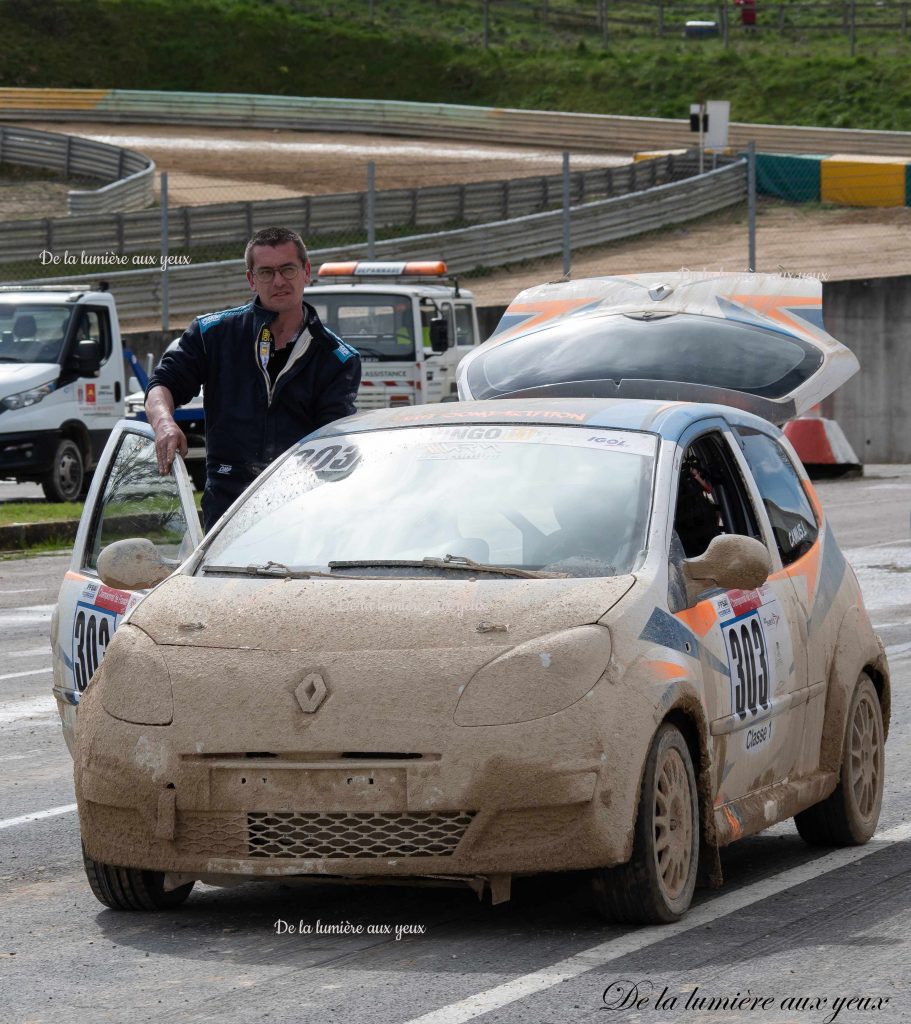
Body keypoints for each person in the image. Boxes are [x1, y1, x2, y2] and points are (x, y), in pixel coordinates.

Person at [145, 226, 361, 529]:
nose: (279, 281)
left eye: (287, 269)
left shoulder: (337, 358)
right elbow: (162, 385)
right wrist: (164, 424)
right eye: (266, 272)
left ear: (306, 272)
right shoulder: (212, 333)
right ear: (251, 279)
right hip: (227, 503)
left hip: (299, 505)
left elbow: (331, 443)